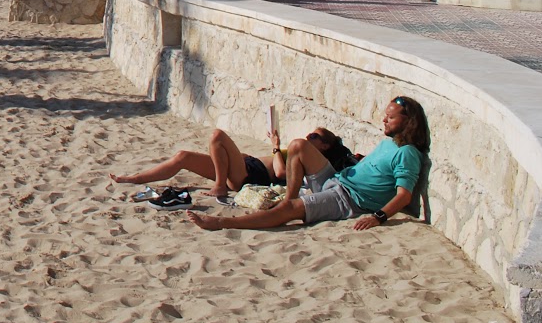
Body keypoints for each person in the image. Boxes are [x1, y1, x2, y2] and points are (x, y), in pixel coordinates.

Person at [189, 96, 429, 232]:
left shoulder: (408, 153)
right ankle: (288, 199)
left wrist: (378, 217)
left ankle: (222, 223)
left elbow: (404, 195)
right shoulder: (390, 142)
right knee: (297, 146)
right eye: (386, 114)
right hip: (338, 179)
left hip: (348, 199)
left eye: (391, 117)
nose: (384, 119)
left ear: (409, 122)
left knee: (291, 212)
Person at [109, 125, 347, 201]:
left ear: (325, 146)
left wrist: (276, 146)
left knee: (217, 136)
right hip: (247, 166)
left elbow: (281, 172)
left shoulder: (309, 159)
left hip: (251, 175)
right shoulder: (300, 149)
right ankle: (133, 179)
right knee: (183, 156)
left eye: (314, 137)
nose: (308, 138)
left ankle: (220, 185)